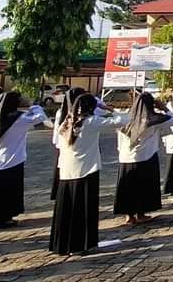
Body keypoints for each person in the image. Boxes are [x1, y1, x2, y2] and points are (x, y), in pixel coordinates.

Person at [50, 93, 130, 256]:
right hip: (86, 169)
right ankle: (81, 244)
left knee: (67, 209)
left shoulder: (67, 122)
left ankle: (63, 244)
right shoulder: (92, 122)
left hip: (66, 171)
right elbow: (123, 120)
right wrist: (108, 108)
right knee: (83, 209)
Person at [0, 91, 47, 229]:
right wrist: (32, 104)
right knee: (8, 192)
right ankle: (4, 218)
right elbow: (40, 117)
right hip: (12, 159)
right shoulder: (18, 118)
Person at [114, 92, 173, 226]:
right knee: (144, 187)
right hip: (146, 157)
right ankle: (141, 214)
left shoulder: (124, 119)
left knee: (128, 188)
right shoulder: (153, 120)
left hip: (126, 158)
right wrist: (164, 107)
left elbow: (119, 140)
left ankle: (129, 215)